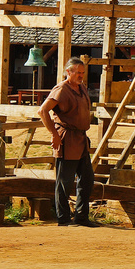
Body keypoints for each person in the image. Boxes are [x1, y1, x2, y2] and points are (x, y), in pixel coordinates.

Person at [40, 56, 98, 227]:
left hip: (81, 139)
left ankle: (81, 217)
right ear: (68, 72)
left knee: (87, 179)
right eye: (78, 73)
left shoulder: (82, 88)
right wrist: (54, 135)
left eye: (82, 72)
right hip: (67, 139)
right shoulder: (61, 89)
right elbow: (43, 111)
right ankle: (63, 219)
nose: (81, 75)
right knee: (64, 182)